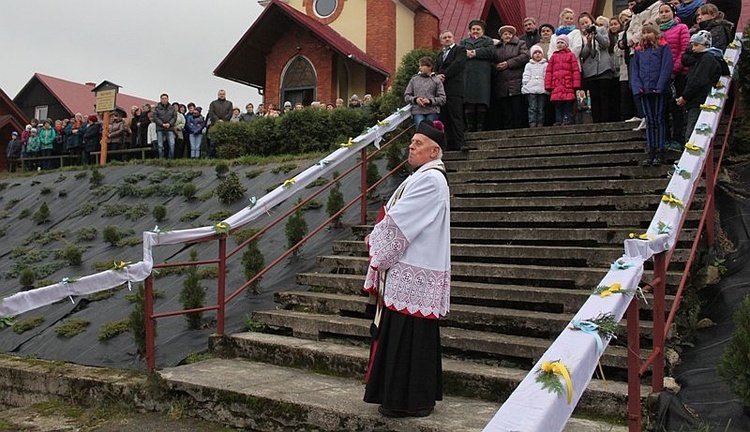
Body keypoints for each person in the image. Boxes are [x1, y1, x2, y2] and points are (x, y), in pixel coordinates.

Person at [363, 120, 451, 418]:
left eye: (417, 143)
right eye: (411, 142)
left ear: (434, 150)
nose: (411, 147)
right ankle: (399, 396)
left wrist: (376, 239)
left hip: (415, 267)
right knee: (404, 336)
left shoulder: (430, 180)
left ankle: (409, 400)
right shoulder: (421, 176)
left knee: (409, 338)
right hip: (410, 267)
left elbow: (402, 222)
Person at [630, 24, 673, 165]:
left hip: (658, 90)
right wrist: (638, 88)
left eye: (649, 32)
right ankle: (651, 150)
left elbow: (666, 67)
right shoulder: (638, 51)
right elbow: (634, 71)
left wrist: (660, 86)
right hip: (645, 91)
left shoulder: (663, 47)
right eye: (644, 33)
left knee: (659, 119)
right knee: (649, 120)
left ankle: (660, 150)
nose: (646, 35)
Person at [677, 30, 725, 139]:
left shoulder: (707, 59)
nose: (693, 48)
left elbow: (698, 80)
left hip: (699, 100)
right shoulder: (703, 59)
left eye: (696, 45)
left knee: (692, 132)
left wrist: (685, 96)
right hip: (697, 99)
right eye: (692, 45)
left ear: (706, 45)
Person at [659, 1, 691, 147]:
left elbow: (684, 49)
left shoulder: (681, 28)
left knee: (677, 107)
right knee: (663, 108)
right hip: (661, 75)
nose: (664, 14)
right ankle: (665, 138)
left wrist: (674, 69)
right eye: (661, 12)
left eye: (666, 11)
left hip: (678, 74)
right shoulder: (657, 31)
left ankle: (678, 138)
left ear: (673, 12)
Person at [460, 19, 496, 132]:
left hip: (482, 75)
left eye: (478, 29)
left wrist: (475, 53)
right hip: (468, 74)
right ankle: (470, 126)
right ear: (470, 31)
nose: (475, 31)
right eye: (473, 29)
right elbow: (459, 53)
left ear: (483, 31)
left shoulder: (488, 41)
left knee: (481, 100)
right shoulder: (464, 42)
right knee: (468, 101)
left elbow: (491, 52)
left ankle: (480, 125)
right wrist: (465, 53)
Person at [579, 12, 615, 123]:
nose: (585, 25)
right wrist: (588, 43)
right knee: (594, 97)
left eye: (587, 22)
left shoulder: (601, 30)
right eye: (582, 24)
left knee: (604, 96)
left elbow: (606, 44)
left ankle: (606, 119)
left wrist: (596, 35)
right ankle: (596, 120)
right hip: (590, 71)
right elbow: (583, 55)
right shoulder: (581, 37)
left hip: (603, 68)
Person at [435, 30, 467, 151]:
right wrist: (437, 76)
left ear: (453, 38)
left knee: (456, 116)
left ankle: (460, 143)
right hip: (442, 91)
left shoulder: (460, 50)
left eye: (449, 37)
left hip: (454, 88)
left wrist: (444, 75)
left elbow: (458, 64)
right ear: (441, 41)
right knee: (445, 117)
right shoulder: (439, 55)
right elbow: (435, 68)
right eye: (444, 38)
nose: (447, 39)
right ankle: (449, 143)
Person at [494, 25, 530, 130]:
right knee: (506, 110)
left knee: (517, 108)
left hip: (516, 80)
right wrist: (496, 66)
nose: (507, 36)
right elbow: (492, 60)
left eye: (509, 34)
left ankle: (518, 128)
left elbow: (524, 56)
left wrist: (508, 63)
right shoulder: (496, 47)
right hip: (501, 82)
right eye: (505, 34)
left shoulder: (520, 44)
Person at [545, 34, 581, 125]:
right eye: (558, 43)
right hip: (556, 86)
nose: (560, 44)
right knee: (558, 105)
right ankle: (559, 120)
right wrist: (548, 85)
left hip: (567, 84)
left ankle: (568, 119)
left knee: (568, 104)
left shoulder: (571, 55)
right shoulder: (553, 57)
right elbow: (549, 72)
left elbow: (575, 70)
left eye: (562, 42)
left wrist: (576, 84)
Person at [404, 57, 446, 127]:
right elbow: (407, 96)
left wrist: (429, 101)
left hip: (432, 111)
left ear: (430, 67)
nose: (420, 68)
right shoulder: (414, 79)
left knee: (429, 131)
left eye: (422, 66)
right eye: (419, 66)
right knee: (421, 129)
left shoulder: (436, 80)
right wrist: (416, 99)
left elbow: (442, 98)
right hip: (418, 111)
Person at [522, 45, 549, 128]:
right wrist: (525, 83)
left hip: (542, 89)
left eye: (539, 52)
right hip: (531, 89)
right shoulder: (528, 65)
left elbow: (546, 76)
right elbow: (526, 75)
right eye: (535, 53)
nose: (537, 54)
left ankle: (540, 123)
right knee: (532, 108)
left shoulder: (546, 65)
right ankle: (532, 123)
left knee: (541, 108)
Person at [207, 89, 233, 157]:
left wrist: (223, 120)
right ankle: (211, 158)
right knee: (213, 143)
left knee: (224, 142)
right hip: (214, 125)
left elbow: (230, 113)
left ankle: (223, 157)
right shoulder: (213, 103)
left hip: (225, 125)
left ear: (225, 95)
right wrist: (217, 120)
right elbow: (211, 113)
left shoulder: (229, 103)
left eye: (223, 94)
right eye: (220, 94)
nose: (222, 95)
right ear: (218, 95)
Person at [153, 93, 177, 159]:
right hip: (160, 128)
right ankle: (161, 159)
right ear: (160, 99)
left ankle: (170, 159)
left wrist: (169, 124)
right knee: (160, 145)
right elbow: (155, 117)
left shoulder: (172, 108)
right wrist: (162, 124)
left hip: (170, 128)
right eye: (162, 99)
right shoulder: (157, 108)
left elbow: (174, 117)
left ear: (168, 99)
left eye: (165, 98)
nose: (164, 100)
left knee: (172, 144)